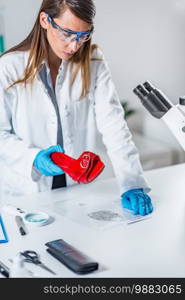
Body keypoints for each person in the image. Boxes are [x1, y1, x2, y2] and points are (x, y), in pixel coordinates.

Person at [0, 0, 153, 216]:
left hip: (76, 191)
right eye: (67, 34)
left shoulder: (93, 62)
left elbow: (114, 126)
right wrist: (33, 158)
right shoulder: (9, 67)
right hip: (26, 194)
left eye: (83, 36)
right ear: (45, 20)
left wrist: (132, 182)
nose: (74, 46)